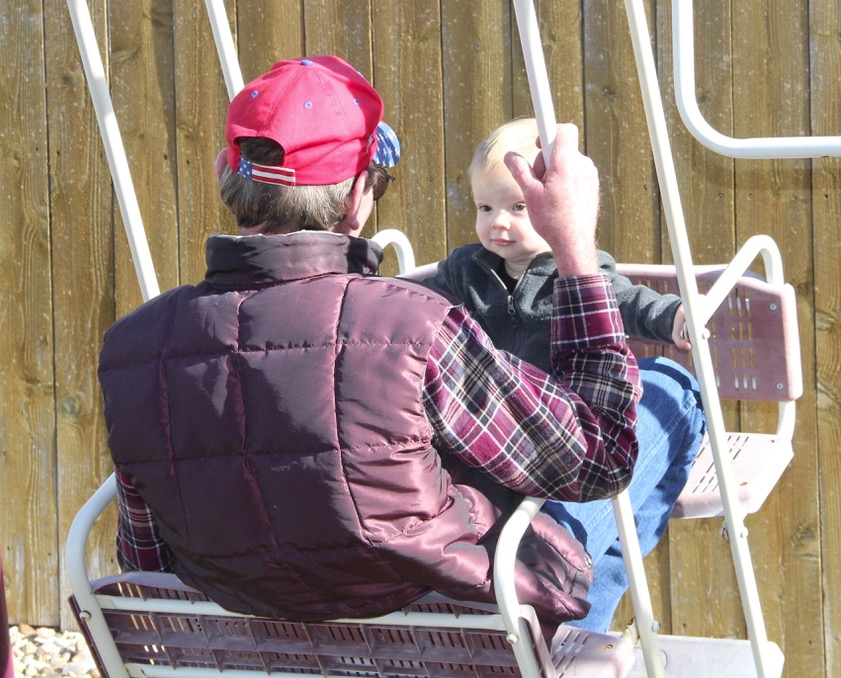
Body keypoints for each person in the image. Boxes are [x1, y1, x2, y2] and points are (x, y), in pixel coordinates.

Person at [98, 55, 642, 641]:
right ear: (358, 195)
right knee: (670, 400)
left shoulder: (132, 348)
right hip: (446, 631)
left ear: (223, 175)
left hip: (243, 642)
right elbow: (600, 457)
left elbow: (148, 561)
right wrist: (577, 251)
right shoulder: (413, 328)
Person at [424, 117, 706, 633]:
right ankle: (559, 629)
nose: (498, 224)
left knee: (612, 533)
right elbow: (425, 311)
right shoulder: (466, 270)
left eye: (517, 208)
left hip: (560, 427)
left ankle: (572, 630)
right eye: (485, 208)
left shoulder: (572, 269)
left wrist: (672, 317)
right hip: (493, 430)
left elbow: (623, 301)